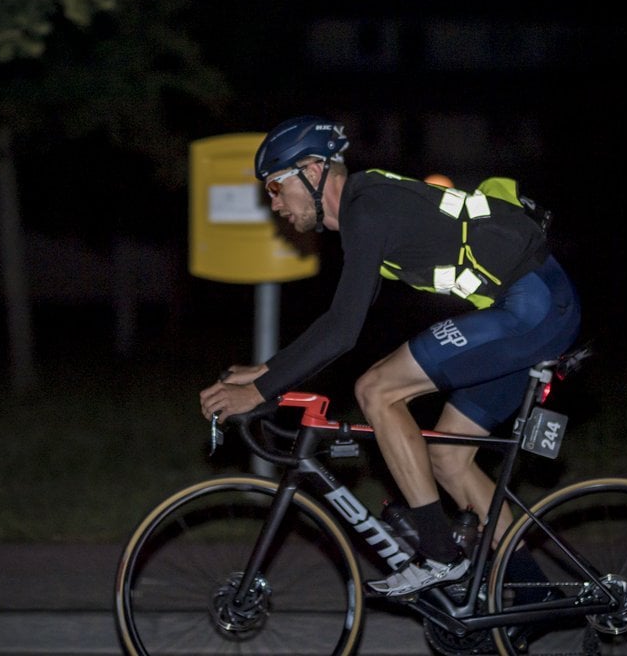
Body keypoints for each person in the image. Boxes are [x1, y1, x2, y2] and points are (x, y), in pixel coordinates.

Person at [199, 115, 581, 598]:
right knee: (449, 459)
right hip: (530, 311)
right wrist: (270, 371)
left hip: (533, 308)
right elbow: (342, 320)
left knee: (377, 389)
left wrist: (257, 390)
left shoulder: (369, 207)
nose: (273, 204)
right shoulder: (369, 207)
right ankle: (531, 595)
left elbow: (342, 329)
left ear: (314, 171)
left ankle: (440, 556)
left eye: (276, 187)